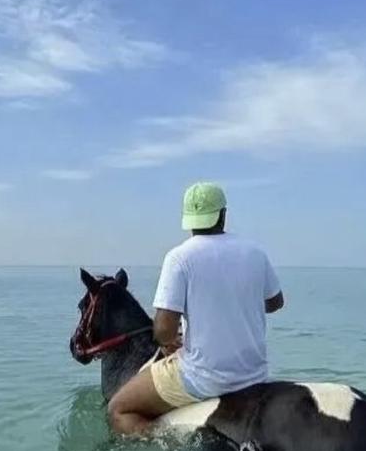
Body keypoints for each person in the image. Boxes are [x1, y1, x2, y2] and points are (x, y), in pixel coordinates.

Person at [107, 181, 284, 436]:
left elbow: (164, 331)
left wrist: (169, 342)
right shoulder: (255, 252)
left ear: (188, 220)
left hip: (205, 379)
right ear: (223, 214)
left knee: (118, 409)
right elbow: (275, 303)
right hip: (253, 373)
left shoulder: (180, 258)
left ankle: (165, 444)